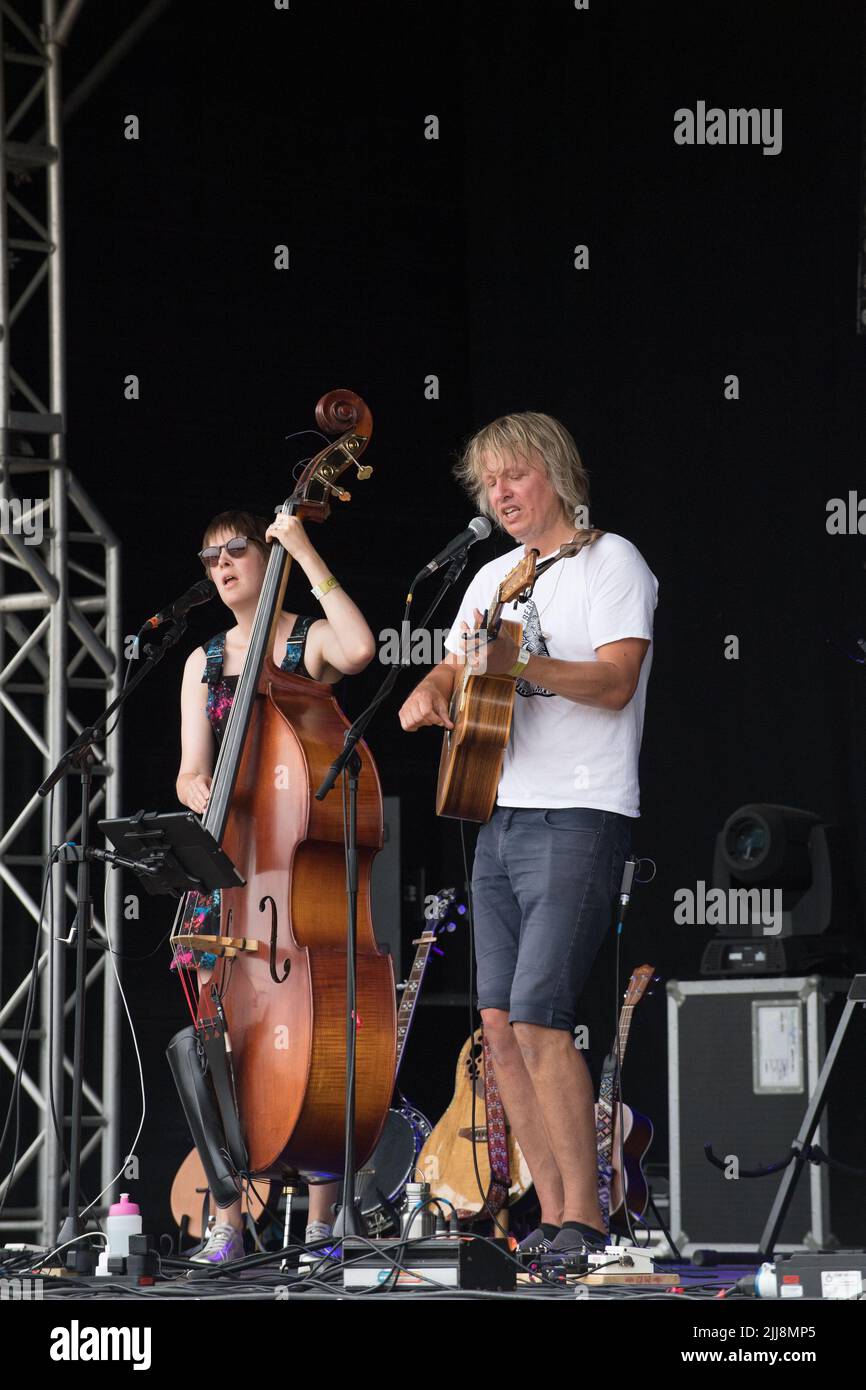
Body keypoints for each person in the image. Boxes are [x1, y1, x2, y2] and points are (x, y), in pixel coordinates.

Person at [398, 412, 658, 1264]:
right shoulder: (490, 580)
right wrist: (431, 692)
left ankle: (589, 1220)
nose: (502, 494)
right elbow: (453, 662)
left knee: (544, 1018)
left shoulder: (610, 561)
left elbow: (618, 681)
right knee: (500, 1029)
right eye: (490, 483)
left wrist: (519, 666)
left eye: (516, 476)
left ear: (556, 474)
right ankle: (550, 1221)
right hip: (497, 812)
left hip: (581, 810)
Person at [174, 506, 377, 1264]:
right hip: (228, 871)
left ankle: (325, 1222)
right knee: (211, 1042)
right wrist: (198, 790)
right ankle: (229, 1217)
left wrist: (304, 547)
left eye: (235, 551)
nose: (222, 566)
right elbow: (191, 768)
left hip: (297, 870)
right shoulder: (203, 661)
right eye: (209, 558)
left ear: (266, 553)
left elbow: (359, 649)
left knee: (323, 1030)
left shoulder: (302, 639)